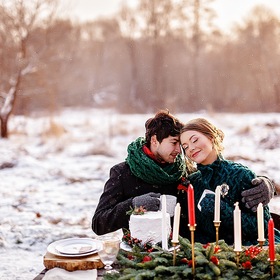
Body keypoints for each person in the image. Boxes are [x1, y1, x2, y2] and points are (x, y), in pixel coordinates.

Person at [92, 110, 275, 237]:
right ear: (155, 141)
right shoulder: (122, 173)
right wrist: (133, 204)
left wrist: (268, 185)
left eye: (183, 146)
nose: (180, 151)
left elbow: (219, 176)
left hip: (185, 250)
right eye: (174, 143)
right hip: (141, 254)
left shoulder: (183, 169)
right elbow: (99, 224)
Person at [179, 117, 280, 245]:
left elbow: (262, 226)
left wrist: (222, 210)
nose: (191, 148)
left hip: (248, 249)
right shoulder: (192, 182)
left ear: (211, 137)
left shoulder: (240, 174)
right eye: (185, 147)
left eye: (195, 140)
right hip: (207, 255)